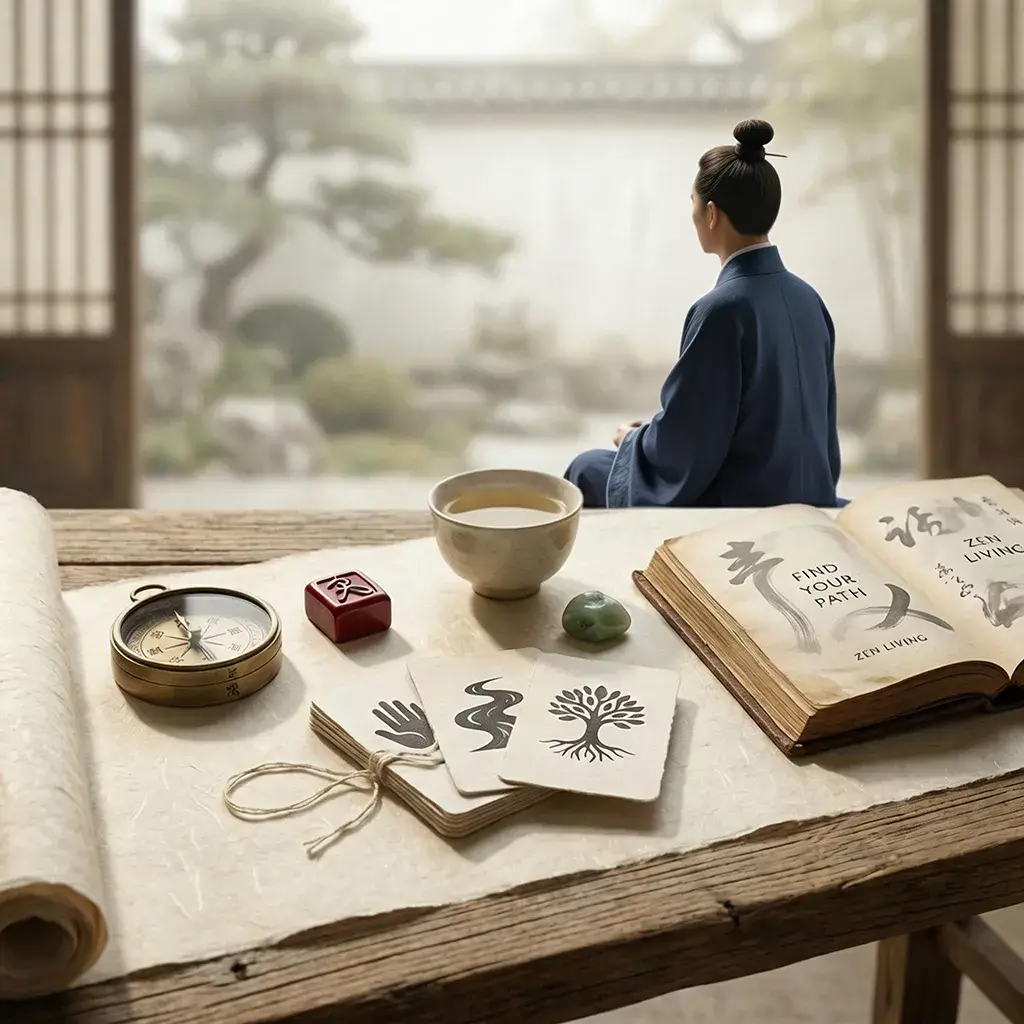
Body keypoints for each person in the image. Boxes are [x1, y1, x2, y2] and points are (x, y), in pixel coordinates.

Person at [564, 118, 845, 510]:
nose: (693, 216)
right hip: (809, 496)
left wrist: (631, 440)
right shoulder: (808, 299)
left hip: (745, 503)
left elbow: (688, 443)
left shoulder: (722, 309)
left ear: (711, 213)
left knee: (586, 468)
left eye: (693, 205)